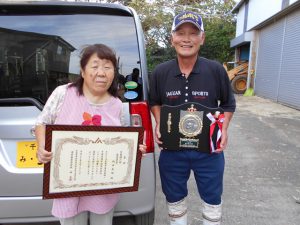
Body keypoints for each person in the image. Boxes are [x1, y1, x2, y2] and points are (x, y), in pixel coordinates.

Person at [35, 44, 146, 225]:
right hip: (68, 181)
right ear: (83, 71)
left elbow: (123, 138)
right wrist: (41, 147)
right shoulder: (63, 93)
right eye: (94, 66)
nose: (101, 73)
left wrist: (133, 150)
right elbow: (42, 123)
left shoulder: (117, 104)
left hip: (103, 184)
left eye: (107, 67)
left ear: (114, 73)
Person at [149, 11, 236, 225]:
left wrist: (223, 129)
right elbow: (154, 102)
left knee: (212, 199)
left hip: (209, 150)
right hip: (172, 150)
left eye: (193, 33)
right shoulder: (160, 72)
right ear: (172, 39)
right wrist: (160, 122)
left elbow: (228, 103)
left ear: (202, 38)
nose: (186, 39)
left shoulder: (215, 70)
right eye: (180, 33)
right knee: (174, 199)